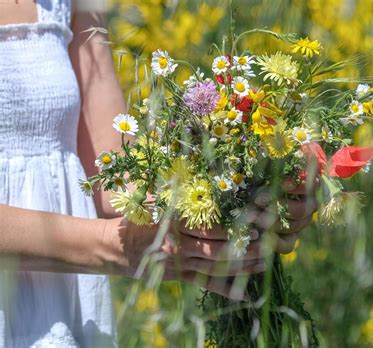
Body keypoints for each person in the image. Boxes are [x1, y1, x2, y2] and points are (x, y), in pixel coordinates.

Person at [0, 0, 318, 347]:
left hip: (57, 306)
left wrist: (239, 192)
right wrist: (121, 247)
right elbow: (121, 237)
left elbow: (115, 177)